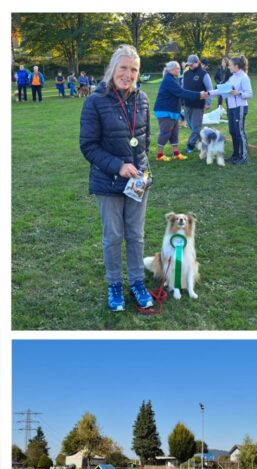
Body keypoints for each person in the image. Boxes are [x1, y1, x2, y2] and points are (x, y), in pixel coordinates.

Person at [79, 44, 154, 312]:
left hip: (137, 183)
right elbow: (88, 146)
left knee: (136, 236)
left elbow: (144, 139)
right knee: (113, 237)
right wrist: (118, 166)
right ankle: (114, 284)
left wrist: (142, 172)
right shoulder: (95, 101)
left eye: (134, 69)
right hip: (108, 182)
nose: (128, 74)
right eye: (123, 68)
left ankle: (136, 281)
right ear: (112, 69)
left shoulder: (142, 99)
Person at [153, 60, 208, 161]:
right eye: (177, 68)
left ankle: (176, 153)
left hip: (173, 111)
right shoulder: (168, 80)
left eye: (179, 68)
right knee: (165, 133)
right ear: (171, 70)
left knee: (174, 132)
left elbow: (179, 95)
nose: (179, 70)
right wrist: (199, 95)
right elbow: (181, 92)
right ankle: (159, 155)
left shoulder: (173, 79)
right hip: (165, 111)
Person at [209, 55, 252, 165]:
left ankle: (243, 156)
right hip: (231, 108)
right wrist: (208, 93)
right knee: (233, 132)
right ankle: (235, 154)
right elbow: (221, 90)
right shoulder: (232, 77)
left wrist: (238, 93)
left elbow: (249, 94)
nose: (228, 67)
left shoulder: (244, 77)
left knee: (239, 132)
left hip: (240, 108)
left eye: (230, 65)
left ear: (236, 66)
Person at [181, 54, 213, 154]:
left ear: (197, 62)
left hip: (198, 105)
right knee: (192, 127)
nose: (190, 66)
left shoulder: (204, 74)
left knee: (196, 127)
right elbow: (182, 88)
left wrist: (208, 102)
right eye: (188, 64)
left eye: (192, 64)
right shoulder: (186, 74)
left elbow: (210, 89)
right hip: (187, 104)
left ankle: (190, 146)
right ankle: (206, 142)